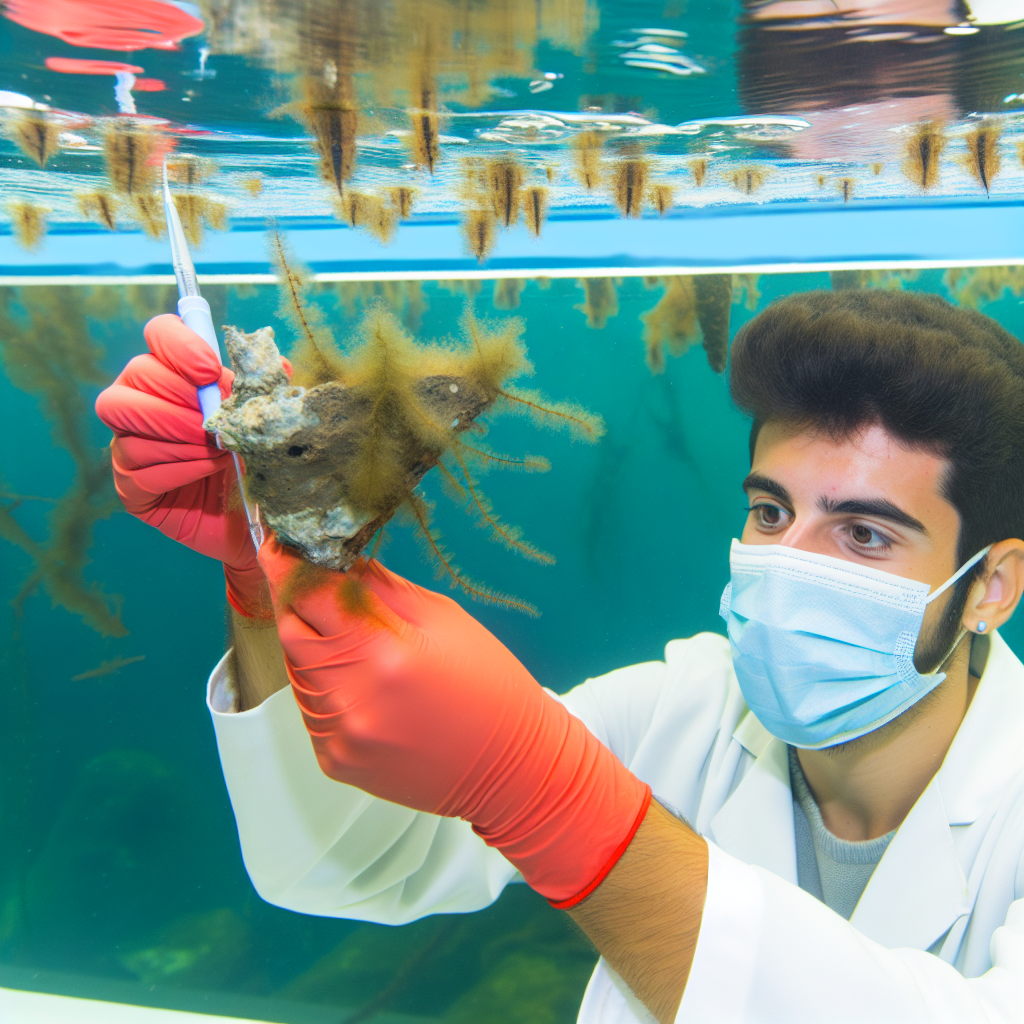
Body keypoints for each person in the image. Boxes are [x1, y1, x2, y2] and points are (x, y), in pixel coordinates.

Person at [96, 289, 1024, 1022]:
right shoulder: (685, 706)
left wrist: (554, 800)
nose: (786, 567)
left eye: (863, 535)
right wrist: (265, 567)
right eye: (772, 512)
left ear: (992, 586)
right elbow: (352, 864)